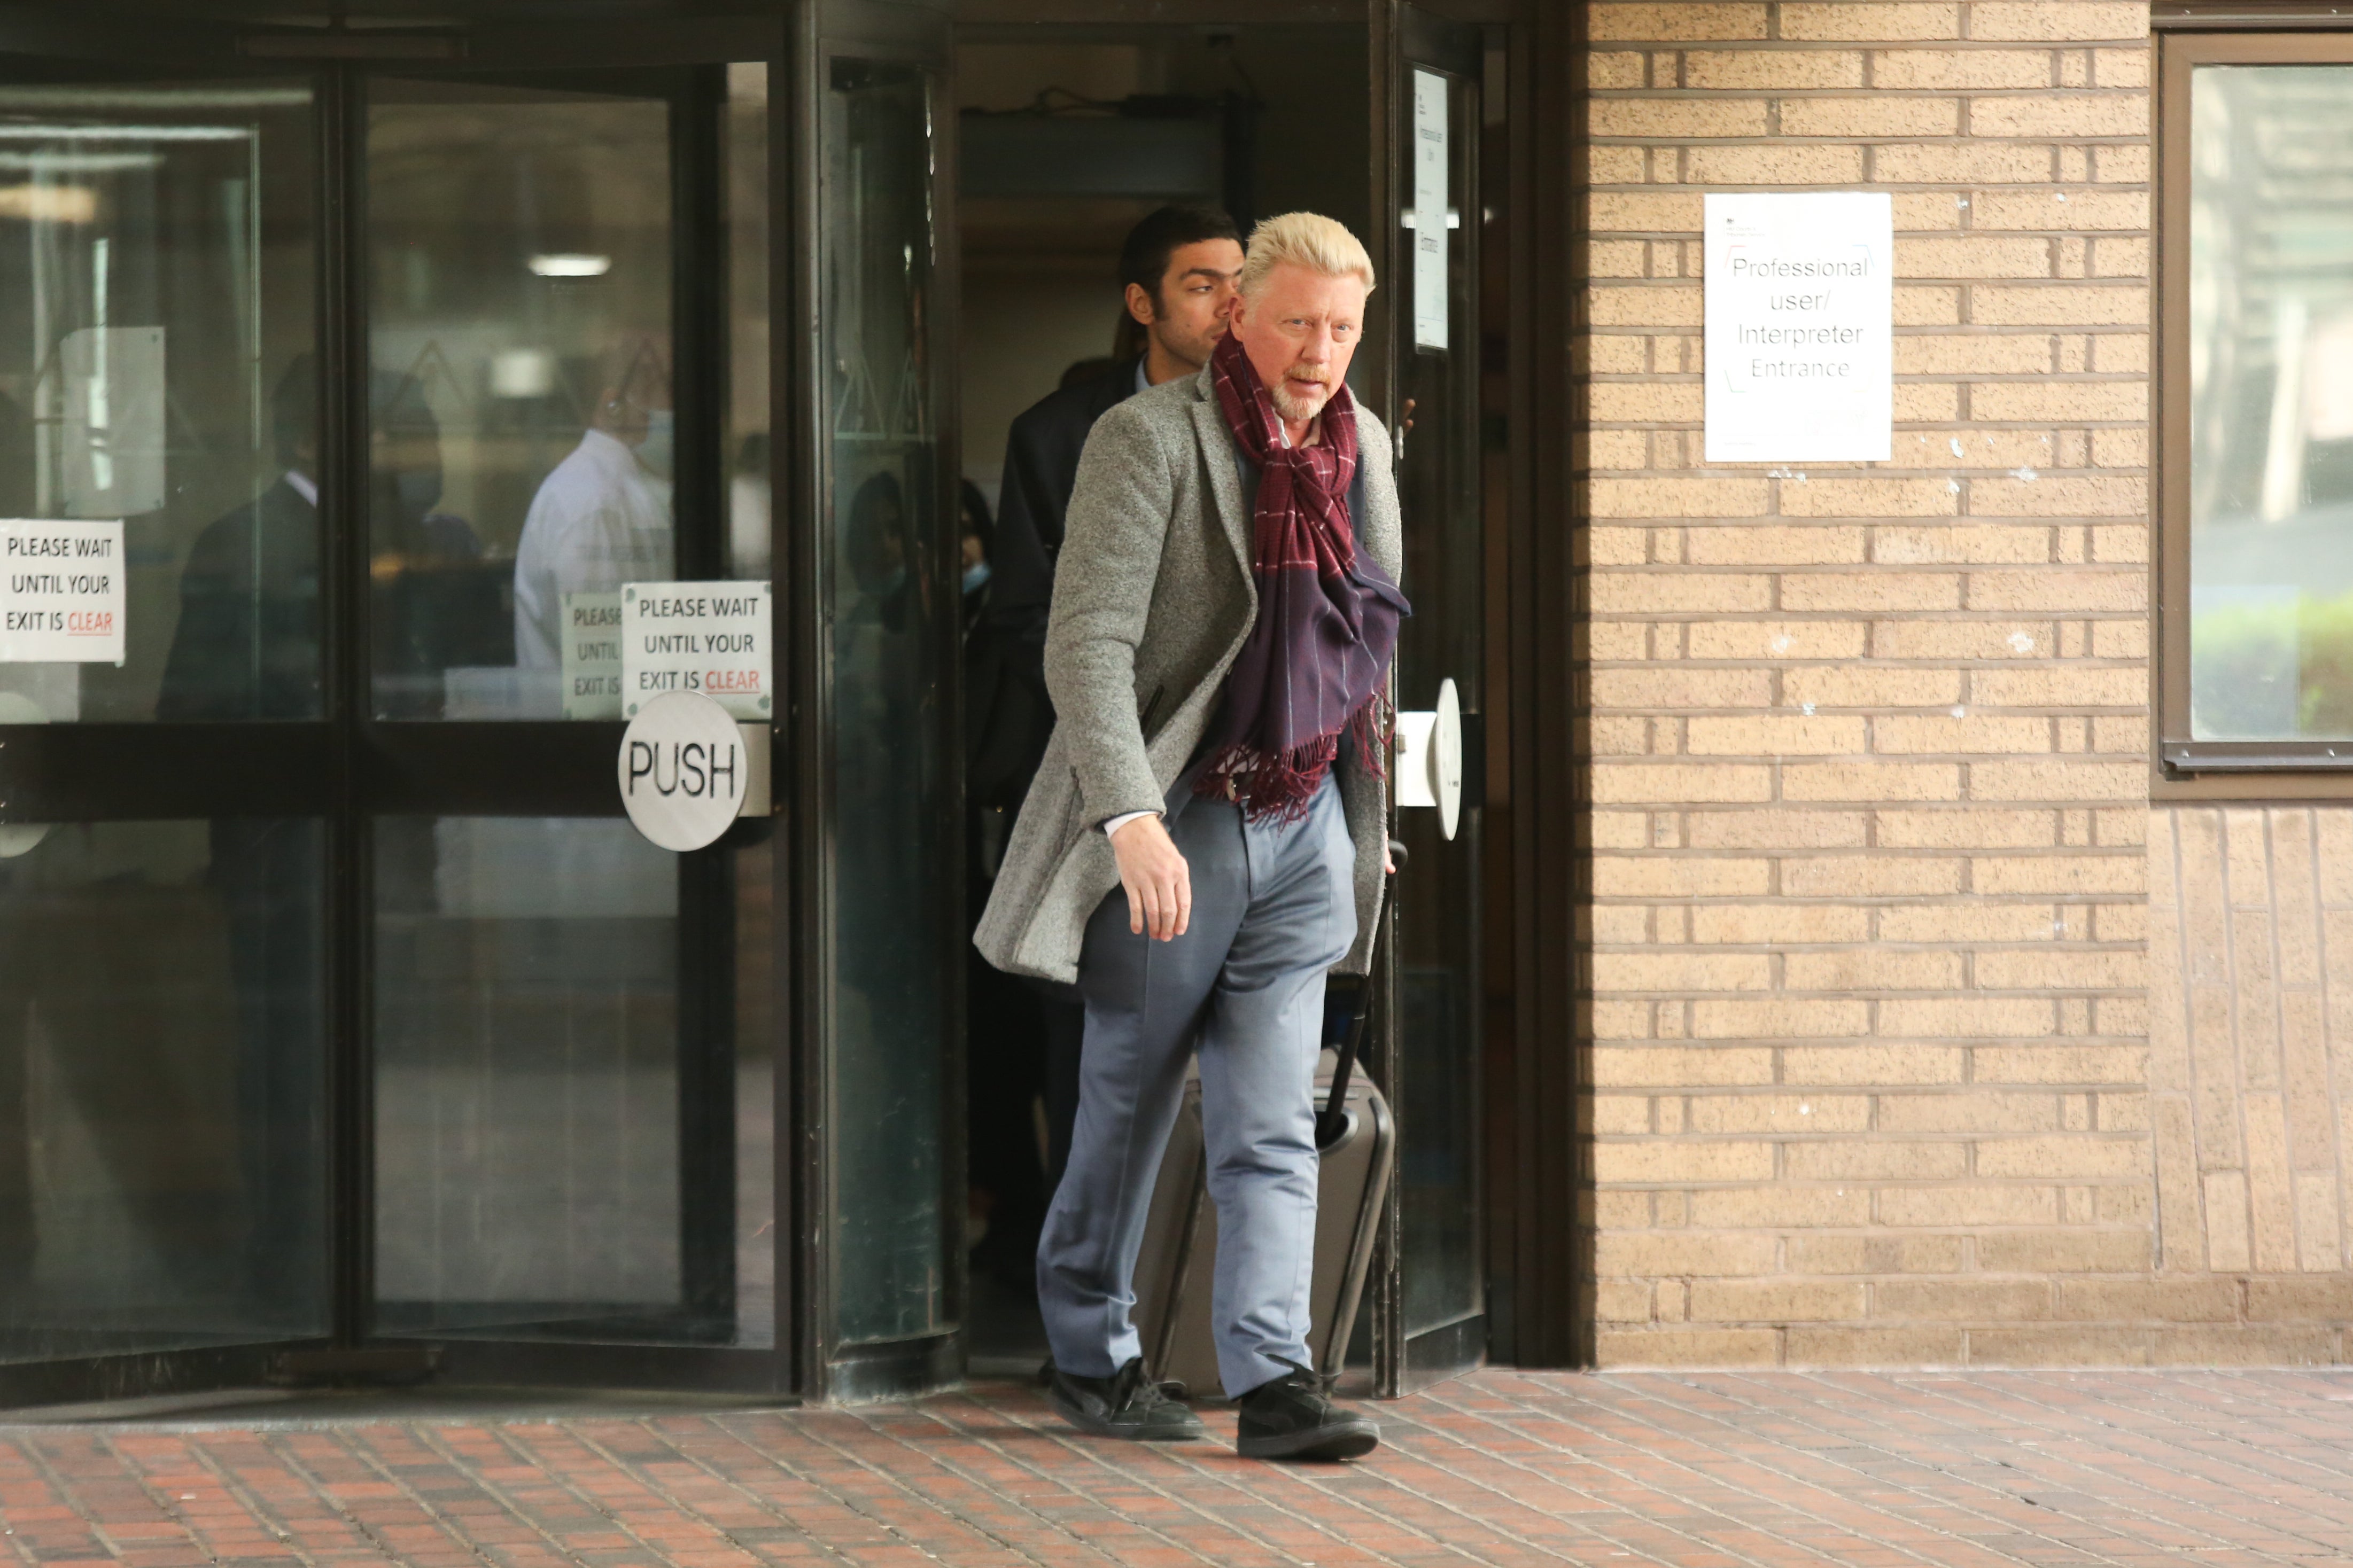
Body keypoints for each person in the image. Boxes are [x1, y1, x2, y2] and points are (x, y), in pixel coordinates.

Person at [975, 213, 1408, 1461]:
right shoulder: (1148, 438)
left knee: (1270, 1118)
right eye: (1296, 323)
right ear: (1239, 317)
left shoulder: (1363, 445)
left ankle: (1275, 1382)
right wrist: (1129, 819)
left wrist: (1367, 821)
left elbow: (1364, 651)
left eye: (1341, 326)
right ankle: (1091, 1351)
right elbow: (1086, 643)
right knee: (1130, 1102)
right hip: (1180, 820)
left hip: (1307, 821)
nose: (1320, 351)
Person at [978, 207, 1247, 1219]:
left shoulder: (1277, 422)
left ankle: (1200, 1307)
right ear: (1140, 305)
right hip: (1098, 774)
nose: (1228, 303)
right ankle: (1084, 1303)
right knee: (1085, 1036)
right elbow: (1027, 616)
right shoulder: (1060, 434)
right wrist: (1126, 731)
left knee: (1236, 1048)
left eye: (1239, 281)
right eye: (1198, 284)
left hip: (1235, 782)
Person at [512, 336, 675, 674]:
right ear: (613, 407)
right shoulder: (592, 502)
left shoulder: (628, 489)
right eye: (662, 388)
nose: (673, 406)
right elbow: (601, 665)